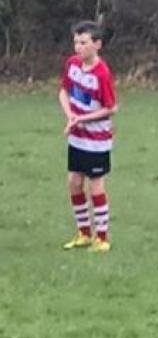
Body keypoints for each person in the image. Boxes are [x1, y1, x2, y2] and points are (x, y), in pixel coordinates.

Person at [59, 21, 118, 253]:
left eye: (83, 42)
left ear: (97, 45)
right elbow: (63, 91)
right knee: (74, 182)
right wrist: (71, 116)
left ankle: (101, 238)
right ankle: (83, 233)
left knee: (95, 186)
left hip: (96, 140)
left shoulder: (102, 74)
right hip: (77, 137)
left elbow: (111, 108)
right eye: (76, 42)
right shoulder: (72, 65)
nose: (78, 47)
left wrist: (83, 119)